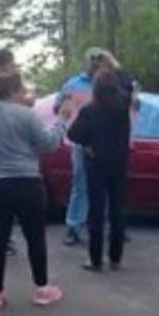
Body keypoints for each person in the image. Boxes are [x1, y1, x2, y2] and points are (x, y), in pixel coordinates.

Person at [0, 72, 73, 308]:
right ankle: (41, 289)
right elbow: (48, 143)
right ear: (15, 91)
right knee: (35, 236)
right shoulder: (27, 115)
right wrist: (62, 119)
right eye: (23, 90)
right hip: (26, 182)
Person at [67, 68, 132, 271]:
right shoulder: (122, 109)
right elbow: (128, 82)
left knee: (96, 212)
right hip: (119, 163)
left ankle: (95, 260)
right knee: (117, 211)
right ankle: (115, 257)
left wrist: (87, 143)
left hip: (96, 163)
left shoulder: (89, 110)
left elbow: (73, 134)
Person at [56, 49, 106, 245]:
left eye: (98, 59)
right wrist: (67, 113)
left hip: (104, 142)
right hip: (79, 142)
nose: (95, 62)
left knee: (104, 185)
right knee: (80, 184)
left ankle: (103, 228)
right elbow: (58, 107)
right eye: (92, 59)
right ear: (85, 62)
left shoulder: (107, 83)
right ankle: (73, 227)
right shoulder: (73, 84)